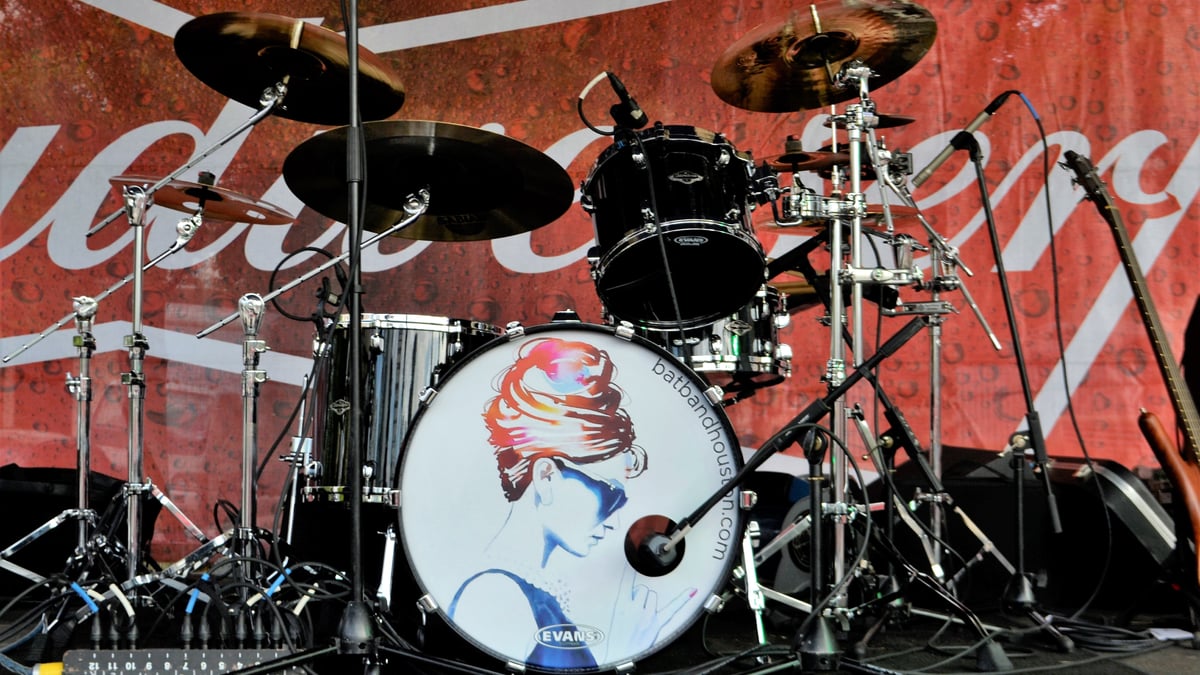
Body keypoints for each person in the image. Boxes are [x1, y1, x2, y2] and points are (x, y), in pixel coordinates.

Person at [446, 336, 656, 669]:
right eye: (609, 495)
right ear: (546, 477)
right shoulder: (495, 594)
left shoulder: (529, 590)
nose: (615, 520)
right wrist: (625, 643)